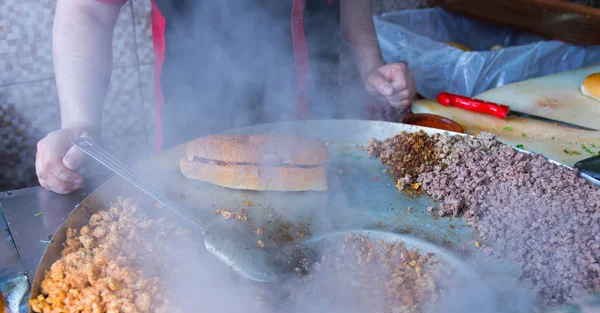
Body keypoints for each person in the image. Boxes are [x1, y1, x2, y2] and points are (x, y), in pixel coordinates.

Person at [36, 0, 416, 194]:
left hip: (320, 138)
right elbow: (88, 10)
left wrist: (371, 64)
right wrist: (79, 122)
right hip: (201, 147)